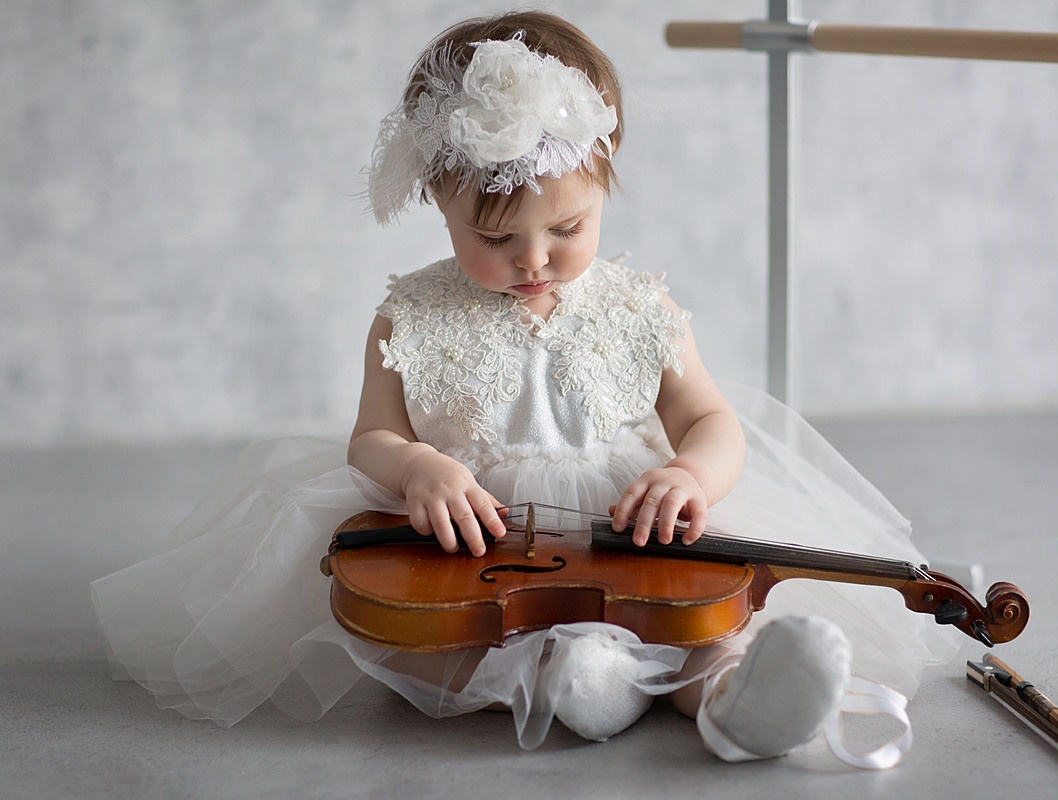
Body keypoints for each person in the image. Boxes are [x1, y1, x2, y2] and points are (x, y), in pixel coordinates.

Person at [92, 10, 959, 765]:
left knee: (704, 625)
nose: (535, 258)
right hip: (475, 548)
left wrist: (692, 476)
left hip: (630, 529)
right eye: (498, 235)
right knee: (446, 649)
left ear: (604, 175)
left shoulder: (640, 306)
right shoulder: (409, 317)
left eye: (569, 227)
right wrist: (417, 469)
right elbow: (373, 437)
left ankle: (739, 699)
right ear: (439, 199)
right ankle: (577, 682)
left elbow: (707, 418)